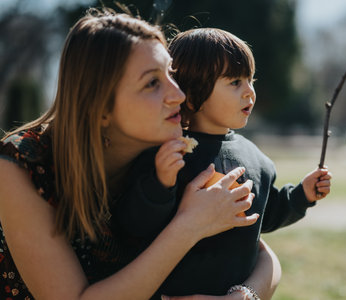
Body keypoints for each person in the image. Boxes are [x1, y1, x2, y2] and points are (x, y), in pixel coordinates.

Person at [0, 10, 282, 300]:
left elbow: (260, 250)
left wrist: (245, 296)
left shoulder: (171, 152)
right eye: (151, 83)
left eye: (170, 75)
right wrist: (188, 226)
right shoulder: (22, 163)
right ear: (100, 109)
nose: (179, 95)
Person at [115, 28, 332, 298]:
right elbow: (135, 225)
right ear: (192, 95)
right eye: (235, 82)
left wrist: (301, 195)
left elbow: (265, 214)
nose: (249, 93)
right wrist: (161, 183)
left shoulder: (256, 158)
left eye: (251, 80)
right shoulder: (169, 153)